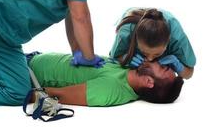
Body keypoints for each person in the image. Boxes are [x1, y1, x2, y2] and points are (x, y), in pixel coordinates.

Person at [27, 52, 184, 106]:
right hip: (32, 57)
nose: (159, 60)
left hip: (26, 72)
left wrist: (22, 93)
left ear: (149, 82)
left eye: (163, 67)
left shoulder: (111, 89)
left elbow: (53, 96)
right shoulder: (128, 66)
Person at [109, 8, 196, 79]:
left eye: (157, 54)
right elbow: (113, 57)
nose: (150, 59)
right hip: (133, 15)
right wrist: (125, 58)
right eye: (144, 52)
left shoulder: (176, 36)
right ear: (136, 38)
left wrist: (179, 67)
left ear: (169, 40)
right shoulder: (127, 30)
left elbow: (189, 73)